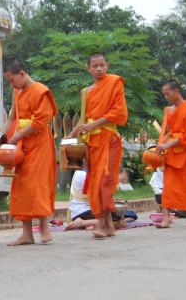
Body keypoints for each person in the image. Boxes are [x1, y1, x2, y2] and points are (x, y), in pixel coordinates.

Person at [68, 53, 128, 239]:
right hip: (92, 142)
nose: (99, 69)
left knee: (105, 181)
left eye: (102, 65)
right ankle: (108, 225)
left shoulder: (114, 82)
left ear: (107, 66)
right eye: (95, 66)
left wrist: (94, 125)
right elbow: (84, 119)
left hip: (108, 139)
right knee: (94, 184)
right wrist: (70, 138)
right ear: (89, 69)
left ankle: (102, 224)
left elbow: (118, 112)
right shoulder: (87, 91)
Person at [2, 58, 58, 245]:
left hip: (39, 142)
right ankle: (27, 233)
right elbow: (11, 117)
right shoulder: (16, 92)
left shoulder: (41, 91)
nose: (11, 84)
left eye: (11, 80)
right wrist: (2, 140)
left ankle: (44, 228)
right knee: (22, 185)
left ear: (22, 74)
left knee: (38, 184)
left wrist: (16, 137)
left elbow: (39, 122)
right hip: (22, 144)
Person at [155, 80, 186, 228]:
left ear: (176, 91)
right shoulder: (168, 110)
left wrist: (167, 144)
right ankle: (165, 219)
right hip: (173, 153)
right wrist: (162, 143)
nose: (166, 97)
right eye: (164, 95)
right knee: (168, 185)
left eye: (167, 94)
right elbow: (170, 131)